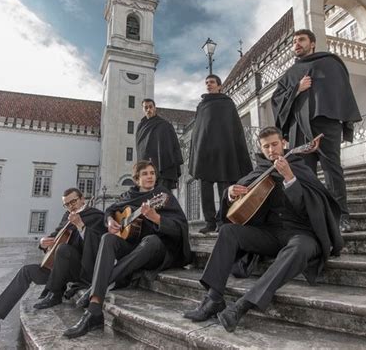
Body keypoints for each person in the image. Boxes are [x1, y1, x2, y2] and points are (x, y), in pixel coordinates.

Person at [183, 126, 343, 333]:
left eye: (274, 144)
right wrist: (230, 193)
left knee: (299, 249)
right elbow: (237, 201)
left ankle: (242, 306)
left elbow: (311, 208)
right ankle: (213, 298)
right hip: (269, 234)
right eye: (266, 146)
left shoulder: (299, 167)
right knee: (228, 232)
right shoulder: (259, 171)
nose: (271, 150)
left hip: (301, 233)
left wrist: (290, 179)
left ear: (284, 143)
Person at [63, 160, 191, 339]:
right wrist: (109, 221)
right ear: (137, 179)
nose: (150, 177)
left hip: (158, 249)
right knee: (108, 238)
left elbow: (180, 227)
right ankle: (94, 312)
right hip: (133, 247)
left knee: (151, 241)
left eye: (152, 173)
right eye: (145, 173)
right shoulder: (128, 196)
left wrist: (157, 219)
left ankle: (96, 288)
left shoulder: (162, 195)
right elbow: (110, 210)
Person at [0, 188, 106, 339]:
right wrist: (43, 242)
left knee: (63, 249)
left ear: (82, 199)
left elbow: (99, 246)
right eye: (67, 204)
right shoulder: (67, 216)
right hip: (58, 270)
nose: (71, 206)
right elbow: (56, 236)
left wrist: (81, 226)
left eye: (73, 201)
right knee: (26, 271)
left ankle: (55, 293)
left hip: (80, 269)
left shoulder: (97, 215)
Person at [271, 29, 361, 232]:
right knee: (304, 174)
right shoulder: (290, 74)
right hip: (298, 129)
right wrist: (296, 89)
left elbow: (342, 91)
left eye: (301, 40)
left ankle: (341, 216)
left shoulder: (330, 63)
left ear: (312, 43)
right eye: (293, 41)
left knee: (333, 171)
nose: (296, 44)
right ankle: (310, 217)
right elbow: (276, 100)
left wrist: (344, 120)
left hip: (326, 124)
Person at [188, 74, 253, 234]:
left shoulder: (227, 103)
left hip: (223, 151)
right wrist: (195, 151)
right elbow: (198, 130)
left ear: (219, 86)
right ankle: (210, 222)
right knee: (205, 189)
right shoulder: (201, 105)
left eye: (211, 82)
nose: (208, 85)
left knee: (225, 187)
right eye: (206, 82)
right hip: (204, 152)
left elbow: (234, 128)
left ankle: (224, 220)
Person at [136, 98, 183, 191]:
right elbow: (140, 150)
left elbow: (174, 146)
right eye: (146, 108)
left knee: (163, 199)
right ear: (143, 109)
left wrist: (175, 167)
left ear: (155, 108)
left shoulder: (165, 125)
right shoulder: (140, 127)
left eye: (150, 107)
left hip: (164, 169)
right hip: (147, 169)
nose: (148, 110)